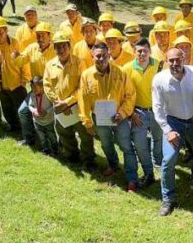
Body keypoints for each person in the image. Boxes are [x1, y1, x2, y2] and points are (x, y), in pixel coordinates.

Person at [79, 43, 149, 191]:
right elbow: (83, 99)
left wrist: (122, 113)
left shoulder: (121, 73)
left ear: (109, 55)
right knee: (106, 144)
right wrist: (87, 121)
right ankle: (113, 164)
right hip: (99, 117)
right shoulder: (86, 75)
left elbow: (130, 95)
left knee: (126, 147)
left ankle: (132, 178)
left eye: (104, 55)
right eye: (98, 55)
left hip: (119, 116)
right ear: (92, 56)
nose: (101, 58)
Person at [152, 48, 193, 216]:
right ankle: (168, 199)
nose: (175, 63)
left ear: (184, 58)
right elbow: (158, 108)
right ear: (166, 60)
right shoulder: (159, 79)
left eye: (178, 59)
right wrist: (167, 130)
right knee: (168, 160)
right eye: (171, 60)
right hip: (173, 123)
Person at [44, 32, 93, 168]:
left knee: (85, 134)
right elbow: (47, 85)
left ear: (69, 46)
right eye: (57, 47)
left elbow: (83, 86)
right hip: (59, 106)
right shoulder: (50, 65)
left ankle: (89, 159)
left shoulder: (79, 62)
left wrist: (68, 101)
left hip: (78, 106)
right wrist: (57, 101)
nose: (61, 50)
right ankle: (72, 155)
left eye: (63, 46)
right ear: (54, 48)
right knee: (64, 133)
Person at [125, 38, 164, 173]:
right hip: (138, 112)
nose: (142, 54)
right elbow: (123, 93)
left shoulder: (160, 66)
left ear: (150, 52)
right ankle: (148, 169)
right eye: (139, 51)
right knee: (140, 144)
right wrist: (132, 113)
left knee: (158, 138)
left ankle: (157, 162)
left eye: (145, 51)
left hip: (157, 111)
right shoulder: (127, 69)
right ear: (134, 52)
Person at [0, 17, 30, 139]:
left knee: (22, 111)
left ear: (6, 30)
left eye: (0, 32)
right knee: (7, 110)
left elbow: (24, 62)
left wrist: (24, 80)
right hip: (1, 86)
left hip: (16, 84)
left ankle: (27, 131)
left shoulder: (16, 43)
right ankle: (13, 126)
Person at [27, 76, 57, 155]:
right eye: (32, 88)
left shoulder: (48, 95)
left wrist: (47, 112)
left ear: (43, 87)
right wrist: (34, 111)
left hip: (49, 121)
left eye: (36, 88)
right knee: (42, 137)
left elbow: (54, 106)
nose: (34, 90)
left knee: (52, 136)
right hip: (37, 121)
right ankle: (46, 149)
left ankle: (55, 149)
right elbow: (30, 105)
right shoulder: (32, 95)